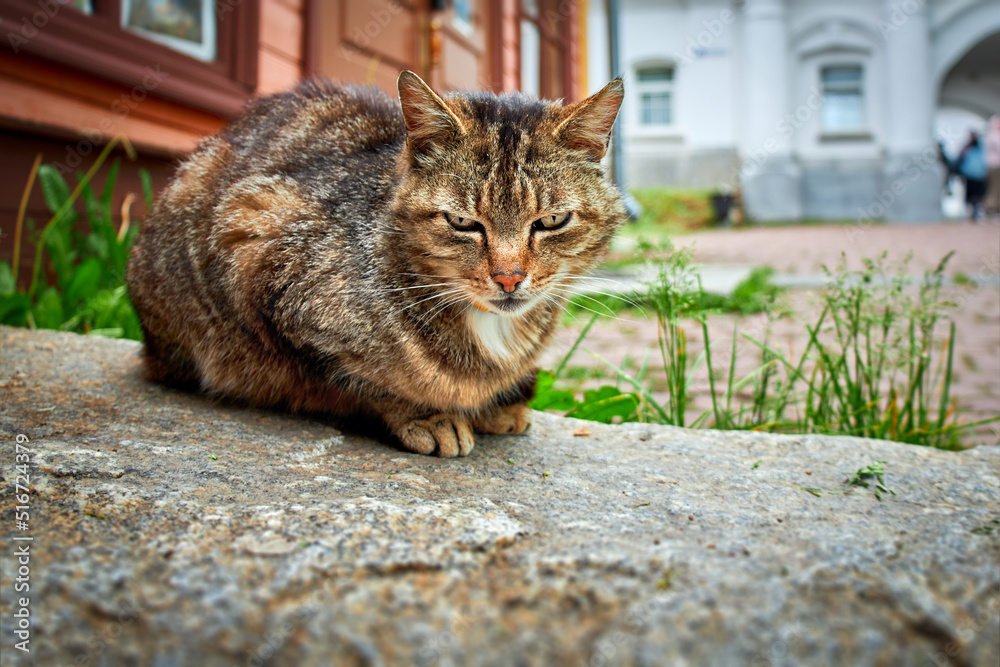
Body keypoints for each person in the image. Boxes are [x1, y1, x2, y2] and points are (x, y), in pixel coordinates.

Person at [958, 131, 988, 221]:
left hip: (978, 175)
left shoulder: (979, 147)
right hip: (970, 175)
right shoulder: (967, 148)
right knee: (971, 195)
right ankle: (970, 212)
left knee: (977, 195)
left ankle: (975, 212)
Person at [985, 116, 1000, 217]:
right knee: (995, 188)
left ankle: (993, 209)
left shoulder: (990, 135)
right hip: (996, 166)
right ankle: (991, 209)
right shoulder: (994, 135)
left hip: (993, 166)